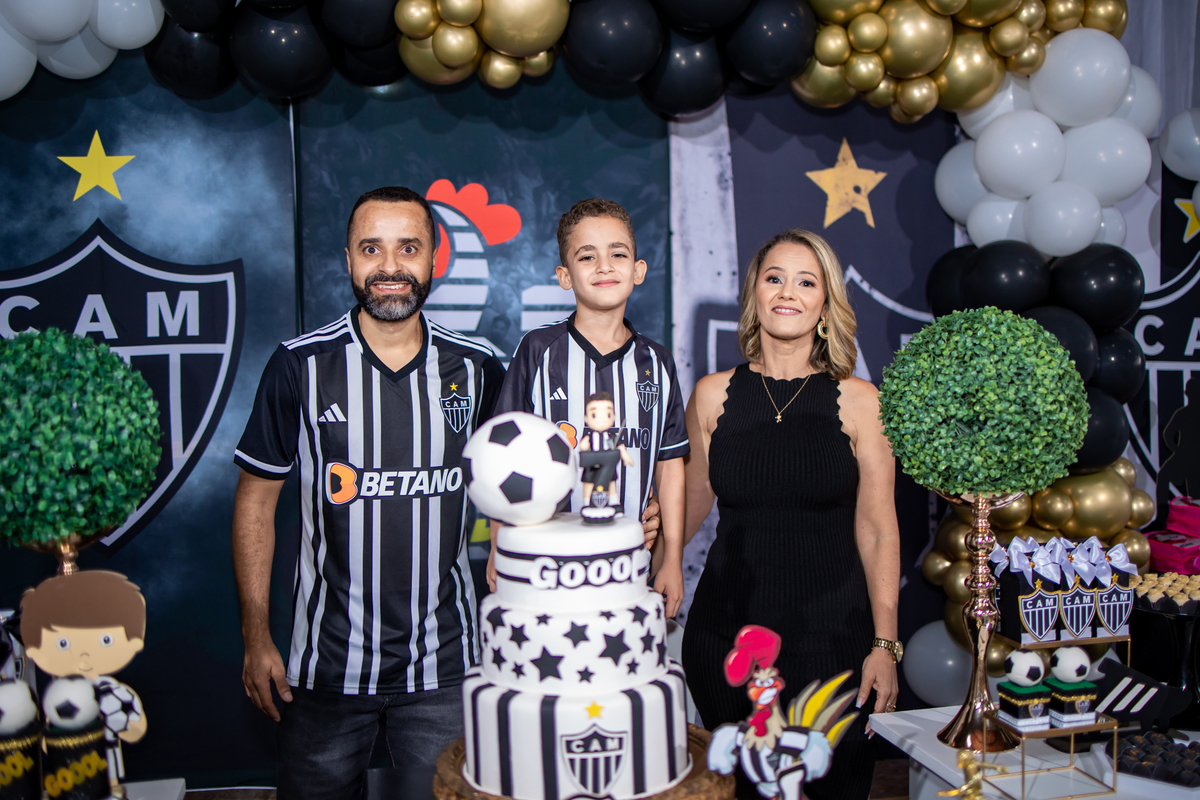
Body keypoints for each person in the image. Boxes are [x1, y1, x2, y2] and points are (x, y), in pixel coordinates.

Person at [231, 186, 505, 800]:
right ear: (349, 260)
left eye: (408, 247)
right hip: (325, 668)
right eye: (371, 249)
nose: (390, 266)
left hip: (445, 664)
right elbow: (255, 501)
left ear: (433, 257)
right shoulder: (299, 365)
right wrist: (256, 635)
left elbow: (525, 482)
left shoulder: (479, 368)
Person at [681, 229, 901, 800]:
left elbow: (879, 530)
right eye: (774, 278)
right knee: (739, 792)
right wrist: (641, 557)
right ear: (754, 292)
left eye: (807, 282)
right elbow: (691, 505)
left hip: (833, 641)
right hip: (726, 638)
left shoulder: (863, 402)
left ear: (825, 305)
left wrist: (885, 645)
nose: (787, 292)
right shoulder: (711, 395)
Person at [493, 198, 687, 617]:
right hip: (547, 566)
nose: (604, 267)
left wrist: (672, 556)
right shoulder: (538, 350)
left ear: (638, 270)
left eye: (618, 254)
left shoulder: (657, 362)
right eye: (587, 256)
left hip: (629, 565)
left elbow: (670, 463)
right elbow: (504, 459)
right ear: (565, 276)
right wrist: (497, 546)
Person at [21, 571, 148, 792]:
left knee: (109, 786)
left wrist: (125, 725)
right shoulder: (58, 696)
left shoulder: (118, 693)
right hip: (72, 768)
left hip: (108, 761)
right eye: (62, 643)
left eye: (105, 640)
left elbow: (136, 729)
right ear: (34, 651)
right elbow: (48, 739)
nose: (84, 655)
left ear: (134, 641)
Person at [578, 391, 634, 519]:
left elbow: (620, 447)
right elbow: (583, 446)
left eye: (607, 414)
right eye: (594, 415)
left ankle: (614, 502)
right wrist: (583, 447)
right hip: (592, 466)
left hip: (608, 466)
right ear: (586, 418)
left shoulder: (611, 437)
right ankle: (587, 503)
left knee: (611, 483)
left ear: (613, 417)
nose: (601, 419)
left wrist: (625, 457)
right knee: (588, 483)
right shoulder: (589, 437)